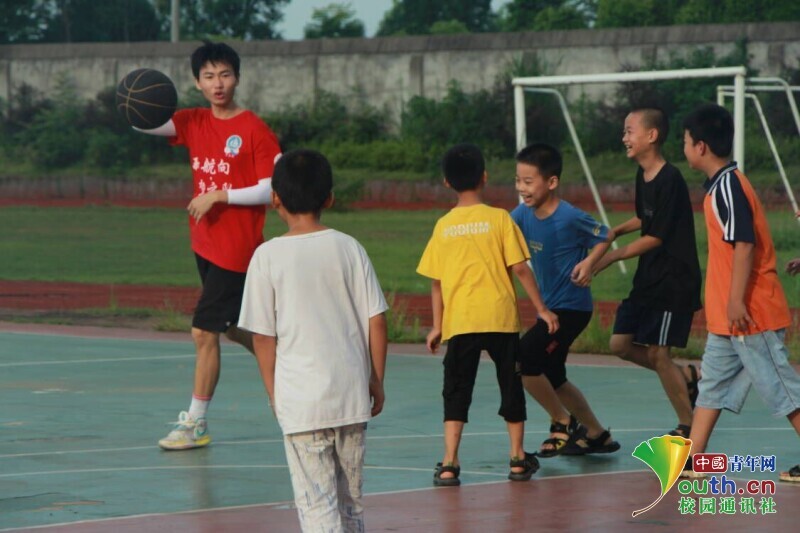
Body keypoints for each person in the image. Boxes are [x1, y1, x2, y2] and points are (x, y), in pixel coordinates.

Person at [136, 41, 282, 450]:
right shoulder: (194, 121)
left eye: (225, 75)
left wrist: (221, 195)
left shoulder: (253, 128)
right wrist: (134, 97)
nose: (218, 84)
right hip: (204, 243)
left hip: (237, 248)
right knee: (233, 327)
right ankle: (286, 359)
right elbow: (145, 123)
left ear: (237, 78)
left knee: (203, 331)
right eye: (209, 76)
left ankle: (196, 423)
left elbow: (272, 186)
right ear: (197, 83)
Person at [238, 149, 389, 531]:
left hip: (301, 403)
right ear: (330, 198)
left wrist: (274, 393)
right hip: (350, 397)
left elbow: (262, 337)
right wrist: (376, 379)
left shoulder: (267, 256)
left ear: (275, 198)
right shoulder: (350, 247)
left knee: (317, 508)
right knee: (351, 505)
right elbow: (376, 320)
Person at [416, 143, 557, 487]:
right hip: (499, 319)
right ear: (484, 177)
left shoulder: (443, 226)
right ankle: (517, 458)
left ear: (446, 182)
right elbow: (520, 268)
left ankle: (449, 462)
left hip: (461, 322)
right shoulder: (500, 219)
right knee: (511, 386)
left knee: (456, 389)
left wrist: (437, 325)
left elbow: (436, 282)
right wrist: (542, 309)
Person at [678, 103, 800, 480]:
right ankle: (694, 459)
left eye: (685, 141)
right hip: (728, 319)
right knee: (711, 385)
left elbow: (744, 244)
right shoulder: (720, 187)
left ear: (700, 147)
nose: (684, 148)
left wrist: (734, 301)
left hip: (750, 313)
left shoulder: (729, 185)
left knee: (782, 388)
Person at [593, 107, 702, 438]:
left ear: (651, 135)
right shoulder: (643, 175)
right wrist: (615, 231)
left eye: (629, 131)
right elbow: (645, 218)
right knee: (620, 344)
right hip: (649, 276)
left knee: (658, 353)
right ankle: (685, 377)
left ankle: (689, 427)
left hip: (673, 280)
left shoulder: (671, 179)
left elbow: (656, 236)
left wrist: (611, 256)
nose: (624, 138)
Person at [510, 143, 620, 457]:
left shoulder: (569, 216)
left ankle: (562, 421)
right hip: (550, 309)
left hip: (571, 308)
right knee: (554, 375)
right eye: (518, 181)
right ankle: (597, 434)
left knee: (524, 359)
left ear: (552, 182)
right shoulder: (522, 214)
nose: (521, 188)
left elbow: (606, 235)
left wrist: (589, 263)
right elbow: (501, 234)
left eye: (528, 181)